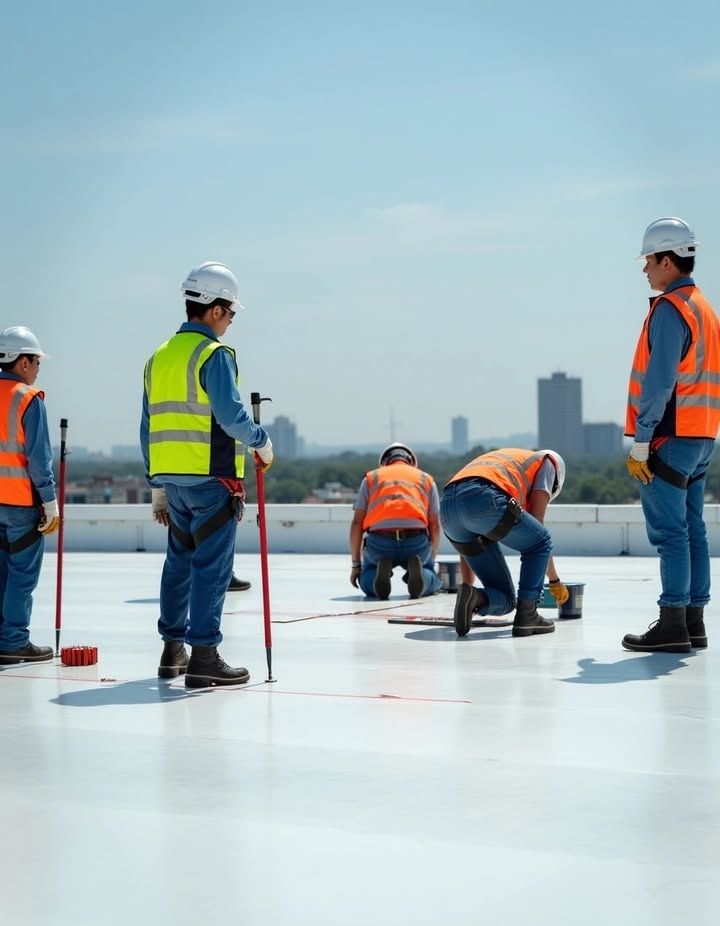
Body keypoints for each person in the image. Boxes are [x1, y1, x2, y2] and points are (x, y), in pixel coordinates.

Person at [141, 261, 274, 688]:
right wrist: (260, 440)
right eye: (231, 313)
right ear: (215, 310)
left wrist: (157, 485)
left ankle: (172, 651)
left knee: (178, 563)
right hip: (212, 479)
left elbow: (147, 427)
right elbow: (232, 418)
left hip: (173, 482)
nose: (231, 321)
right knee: (211, 567)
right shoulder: (213, 355)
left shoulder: (158, 357)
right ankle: (204, 656)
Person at [623, 217, 720, 653]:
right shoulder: (704, 307)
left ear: (667, 260)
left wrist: (643, 439)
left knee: (670, 534)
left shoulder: (669, 310)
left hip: (670, 436)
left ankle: (672, 624)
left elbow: (659, 382)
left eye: (648, 261)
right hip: (702, 437)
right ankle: (694, 622)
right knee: (693, 530)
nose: (645, 270)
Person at [440, 448, 569, 638]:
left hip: (448, 509)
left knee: (506, 599)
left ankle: (477, 597)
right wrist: (554, 580)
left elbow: (467, 542)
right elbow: (538, 531)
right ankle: (528, 616)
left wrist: (467, 588)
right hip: (483, 497)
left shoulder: (505, 460)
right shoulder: (548, 463)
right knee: (540, 542)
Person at [0, 327, 60, 664]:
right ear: (23, 361)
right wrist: (50, 504)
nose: (38, 369)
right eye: (36, 361)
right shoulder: (28, 398)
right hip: (21, 505)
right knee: (21, 578)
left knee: (2, 575)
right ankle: (13, 641)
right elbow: (39, 460)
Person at [349, 442, 443, 599]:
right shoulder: (426, 479)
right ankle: (422, 577)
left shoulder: (372, 478)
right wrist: (431, 558)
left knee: (368, 573)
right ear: (411, 462)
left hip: (380, 542)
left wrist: (356, 565)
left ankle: (375, 582)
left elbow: (357, 523)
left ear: (384, 463)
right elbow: (434, 525)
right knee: (430, 574)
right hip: (416, 541)